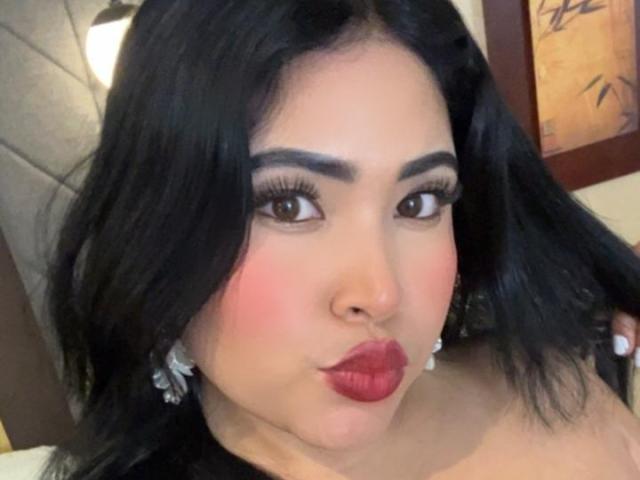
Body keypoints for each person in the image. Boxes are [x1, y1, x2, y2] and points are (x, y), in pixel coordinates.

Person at [3, 0, 640, 478]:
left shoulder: (564, 390)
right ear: (157, 225)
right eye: (288, 204)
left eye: (419, 202)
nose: (380, 293)